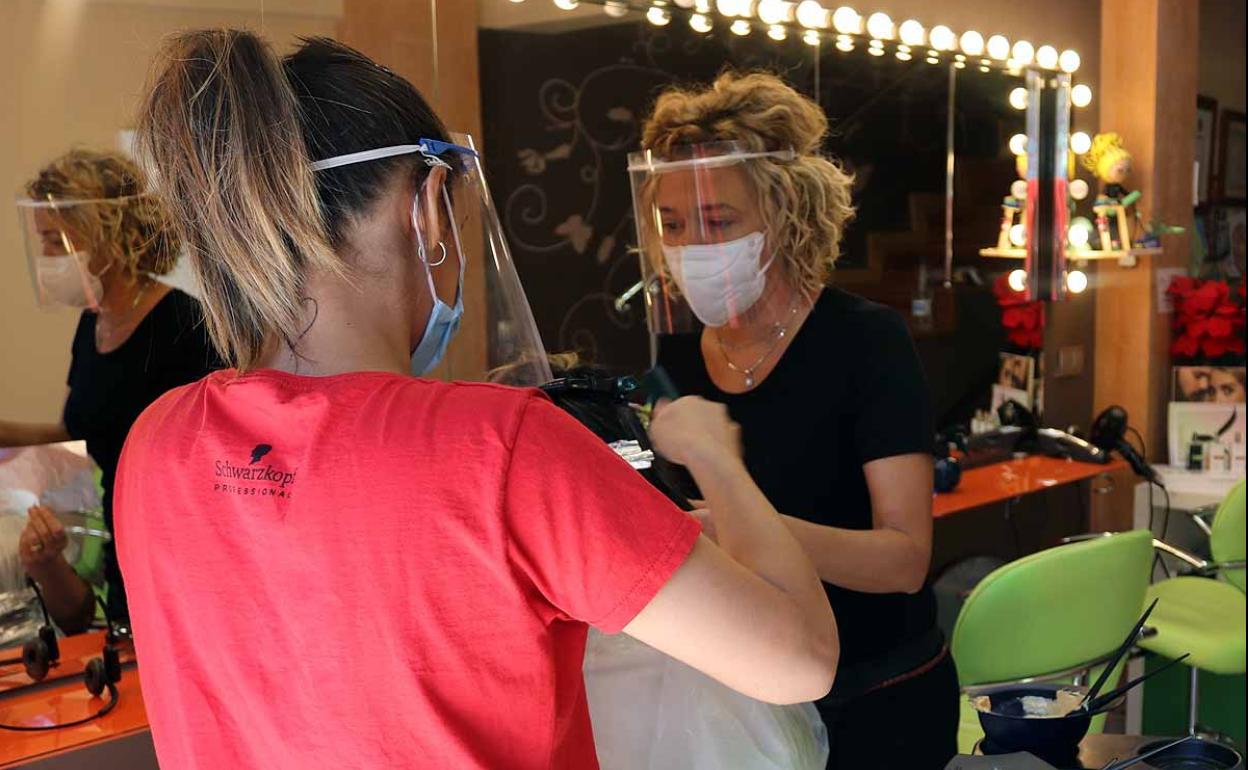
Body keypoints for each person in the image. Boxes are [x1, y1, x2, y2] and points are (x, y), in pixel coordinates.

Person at [115, 31, 837, 769]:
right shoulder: (500, 448)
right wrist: (719, 459)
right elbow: (798, 660)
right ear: (427, 205)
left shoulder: (155, 446)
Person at [634, 72, 958, 768]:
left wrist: (738, 527)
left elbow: (904, 559)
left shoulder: (866, 341)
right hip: (745, 699)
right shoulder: (677, 358)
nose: (691, 245)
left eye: (718, 222)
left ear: (784, 214)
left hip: (879, 699)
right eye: (673, 225)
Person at [1, 149, 220, 633]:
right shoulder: (92, 325)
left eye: (57, 242)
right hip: (127, 557)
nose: (47, 260)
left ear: (106, 232)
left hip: (189, 570)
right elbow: (84, 426)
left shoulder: (185, 326)